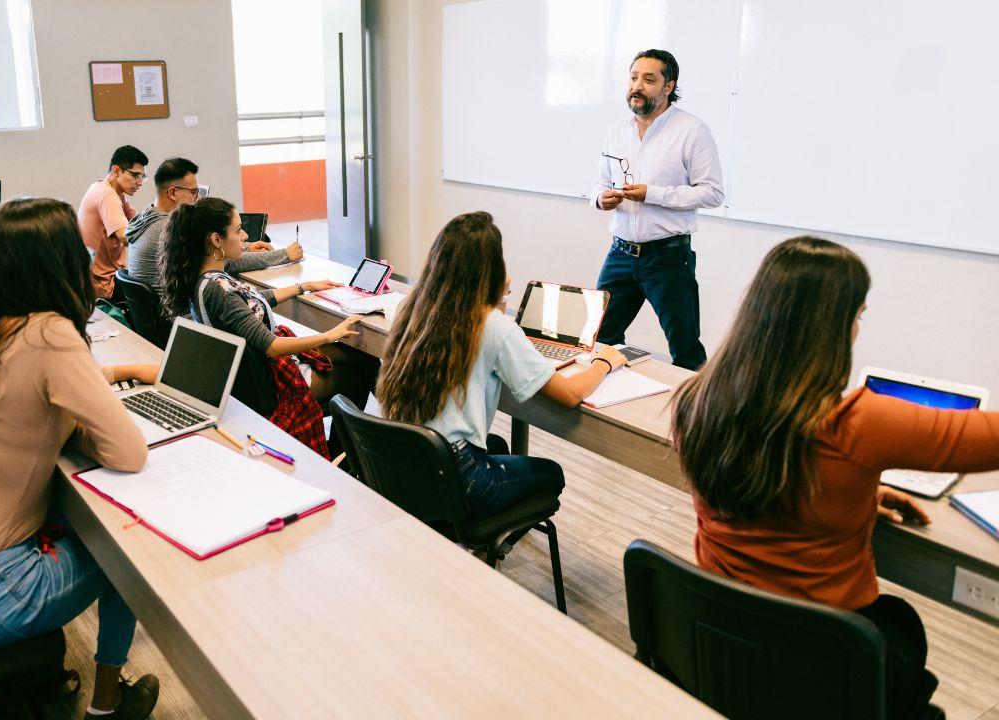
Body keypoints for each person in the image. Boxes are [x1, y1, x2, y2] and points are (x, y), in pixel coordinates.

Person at [672, 236, 999, 719]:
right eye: (858, 315)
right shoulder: (856, 425)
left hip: (723, 645)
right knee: (900, 625)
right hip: (823, 666)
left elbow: (767, 475)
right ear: (830, 327)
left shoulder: (695, 400)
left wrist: (853, 491)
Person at [0, 197, 161, 719]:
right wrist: (85, 426)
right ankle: (110, 703)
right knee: (127, 548)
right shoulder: (49, 332)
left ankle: (52, 680)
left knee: (78, 516)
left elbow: (24, 408)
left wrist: (82, 407)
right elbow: (130, 453)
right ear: (61, 260)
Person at [377, 211, 626, 517]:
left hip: (404, 462)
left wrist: (498, 296)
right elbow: (570, 395)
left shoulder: (415, 307)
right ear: (491, 269)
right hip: (457, 475)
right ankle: (483, 548)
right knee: (550, 474)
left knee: (496, 446)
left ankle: (477, 536)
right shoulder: (491, 325)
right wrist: (603, 362)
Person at [159, 197, 372, 457]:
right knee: (364, 368)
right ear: (216, 240)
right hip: (276, 383)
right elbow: (272, 347)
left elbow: (251, 306)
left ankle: (342, 452)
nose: (245, 235)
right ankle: (342, 455)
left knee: (355, 356)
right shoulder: (220, 290)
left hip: (252, 377)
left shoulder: (203, 278)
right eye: (238, 230)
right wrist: (329, 334)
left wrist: (303, 287)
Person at [590, 49, 724, 370]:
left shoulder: (692, 130)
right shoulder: (617, 130)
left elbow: (713, 193)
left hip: (668, 259)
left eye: (649, 79)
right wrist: (600, 198)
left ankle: (694, 418)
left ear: (668, 87)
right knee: (598, 338)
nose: (638, 85)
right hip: (620, 254)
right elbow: (598, 183)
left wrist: (653, 194)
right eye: (634, 77)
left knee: (685, 349)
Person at [125, 156, 303, 296]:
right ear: (172, 192)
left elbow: (209, 252)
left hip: (163, 320)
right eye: (194, 192)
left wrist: (246, 247)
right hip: (181, 321)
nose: (198, 198)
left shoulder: (146, 217)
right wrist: (284, 254)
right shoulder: (167, 230)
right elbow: (223, 261)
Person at [79, 145, 148, 301]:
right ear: (117, 171)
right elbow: (126, 237)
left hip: (93, 279)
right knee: (157, 292)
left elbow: (138, 220)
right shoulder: (107, 196)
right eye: (136, 175)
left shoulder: (106, 188)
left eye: (142, 177)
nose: (140, 182)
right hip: (103, 286)